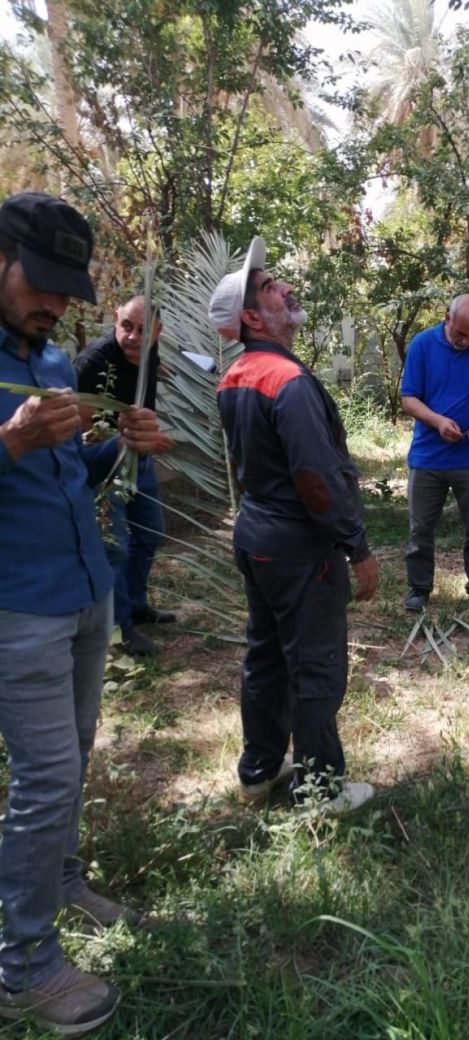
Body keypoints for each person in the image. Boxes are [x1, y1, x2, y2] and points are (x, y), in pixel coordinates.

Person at [0, 191, 161, 1034]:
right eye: (43, 283)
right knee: (47, 776)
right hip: (15, 604)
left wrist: (120, 443)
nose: (55, 305)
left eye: (68, 291)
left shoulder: (55, 360)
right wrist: (9, 442)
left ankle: (62, 880)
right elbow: (19, 459)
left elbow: (69, 476)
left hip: (85, 586)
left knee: (78, 749)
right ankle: (24, 965)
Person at [209, 237, 380, 812]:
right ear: (254, 317)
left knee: (266, 656)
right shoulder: (286, 380)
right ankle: (320, 789)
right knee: (315, 665)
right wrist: (356, 546)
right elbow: (315, 478)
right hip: (298, 548)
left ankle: (259, 770)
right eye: (269, 286)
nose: (284, 287)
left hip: (256, 536)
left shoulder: (236, 375)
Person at [75, 295, 175, 656]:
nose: (132, 337)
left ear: (157, 332)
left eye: (142, 330)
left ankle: (136, 604)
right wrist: (122, 439)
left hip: (140, 460)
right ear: (115, 320)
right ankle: (120, 628)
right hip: (106, 464)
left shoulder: (150, 354)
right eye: (126, 326)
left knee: (150, 534)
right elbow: (81, 431)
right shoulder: (95, 361)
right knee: (116, 546)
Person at [400, 293, 469, 612]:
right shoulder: (422, 344)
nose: (466, 341)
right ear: (447, 317)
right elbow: (409, 399)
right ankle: (418, 590)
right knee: (420, 529)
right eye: (461, 333)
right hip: (427, 456)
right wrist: (437, 421)